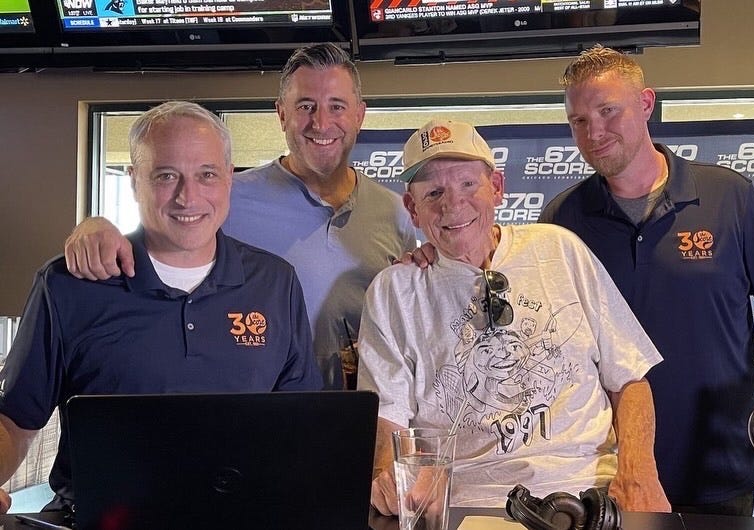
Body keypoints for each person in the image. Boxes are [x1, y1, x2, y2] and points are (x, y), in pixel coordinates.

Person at [0, 101, 322, 514]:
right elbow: (14, 422)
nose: (188, 197)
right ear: (135, 181)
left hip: (242, 517)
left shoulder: (275, 283)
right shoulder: (68, 284)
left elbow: (304, 425)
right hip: (102, 520)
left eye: (206, 175)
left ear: (229, 180)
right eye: (166, 175)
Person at [359, 119, 670, 514]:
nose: (452, 205)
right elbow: (389, 418)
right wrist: (391, 478)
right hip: (468, 505)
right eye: (434, 192)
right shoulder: (394, 293)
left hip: (591, 495)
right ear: (412, 210)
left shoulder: (560, 250)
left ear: (498, 189)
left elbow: (629, 378)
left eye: (468, 185)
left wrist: (639, 474)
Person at [63, 43, 416, 389]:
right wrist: (97, 227)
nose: (321, 123)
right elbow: (161, 238)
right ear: (281, 114)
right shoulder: (226, 195)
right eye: (306, 106)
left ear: (359, 115)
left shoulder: (395, 212)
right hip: (255, 418)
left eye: (336, 106)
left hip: (360, 418)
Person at [538, 45, 754, 516]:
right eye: (578, 120)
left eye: (607, 111)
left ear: (647, 103)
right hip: (607, 477)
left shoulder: (729, 197)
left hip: (718, 470)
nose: (594, 132)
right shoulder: (561, 220)